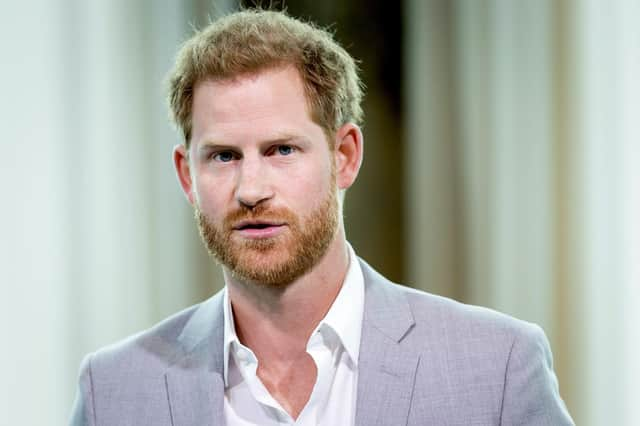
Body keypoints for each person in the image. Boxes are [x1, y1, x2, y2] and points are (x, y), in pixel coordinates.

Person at [70, 9, 574, 426]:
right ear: (187, 175)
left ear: (345, 156)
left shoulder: (497, 367)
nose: (251, 189)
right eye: (223, 156)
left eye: (282, 149)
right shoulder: (113, 392)